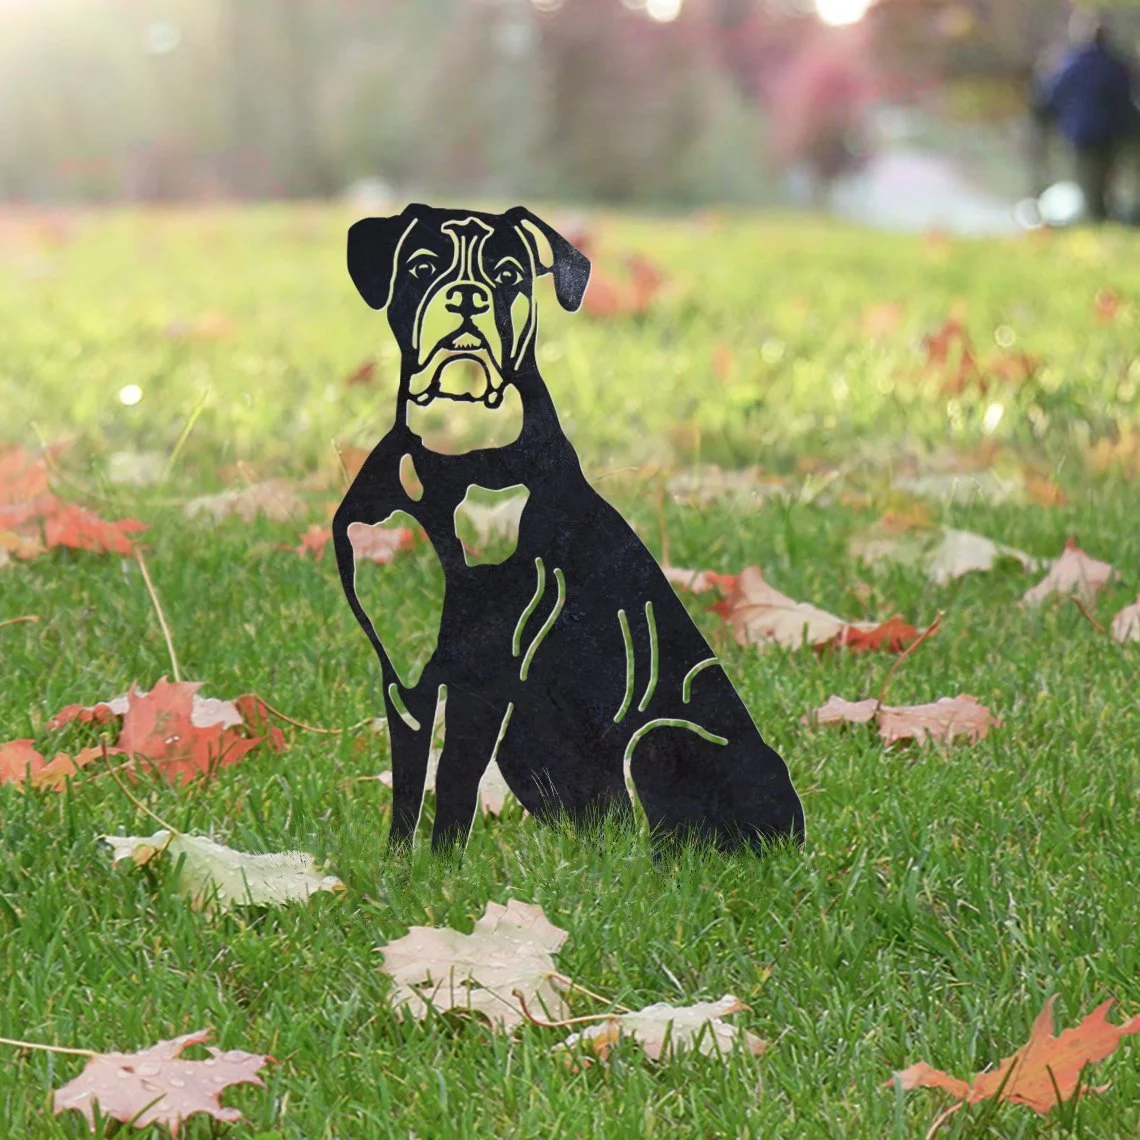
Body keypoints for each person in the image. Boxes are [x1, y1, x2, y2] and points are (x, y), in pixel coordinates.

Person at [1033, 10, 1140, 222]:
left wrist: (1046, 119)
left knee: (1089, 180)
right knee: (1106, 177)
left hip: (1082, 133)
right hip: (1112, 132)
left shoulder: (1070, 64)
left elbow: (1051, 96)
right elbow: (1127, 98)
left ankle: (1097, 218)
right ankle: (1106, 217)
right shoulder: (1116, 64)